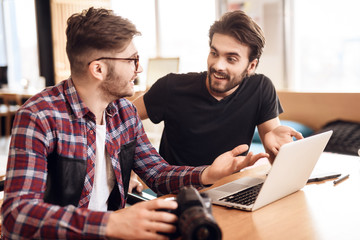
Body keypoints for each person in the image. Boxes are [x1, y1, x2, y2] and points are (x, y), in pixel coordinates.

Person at [1, 7, 269, 240]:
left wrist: (207, 174)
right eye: (132, 60)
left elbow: (156, 173)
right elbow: (17, 215)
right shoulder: (39, 116)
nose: (139, 69)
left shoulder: (124, 113)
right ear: (99, 69)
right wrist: (112, 223)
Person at [133, 10, 302, 168]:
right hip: (181, 194)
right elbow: (120, 118)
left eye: (231, 59)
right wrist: (132, 171)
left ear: (251, 66)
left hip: (230, 190)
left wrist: (278, 151)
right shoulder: (171, 87)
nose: (218, 65)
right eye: (214, 53)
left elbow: (276, 164)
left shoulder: (260, 88)